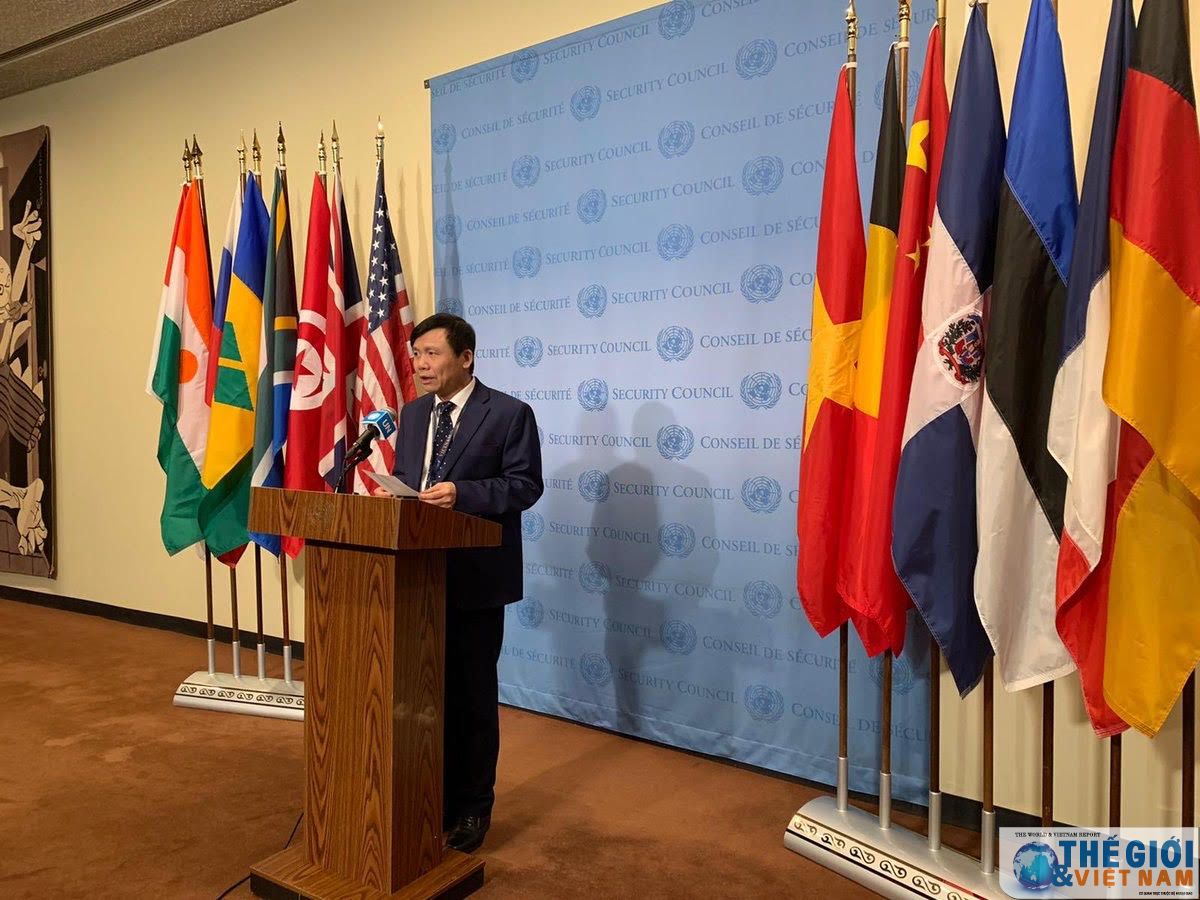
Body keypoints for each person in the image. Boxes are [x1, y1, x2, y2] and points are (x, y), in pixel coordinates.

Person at [392, 313, 543, 853]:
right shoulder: (412, 415)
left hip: (476, 578)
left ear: (465, 357)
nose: (420, 364)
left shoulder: (508, 413)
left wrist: (463, 494)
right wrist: (396, 495)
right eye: (416, 354)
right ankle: (433, 795)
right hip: (415, 578)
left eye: (431, 353)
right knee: (423, 696)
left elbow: (524, 486)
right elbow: (410, 481)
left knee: (471, 697)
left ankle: (474, 807)